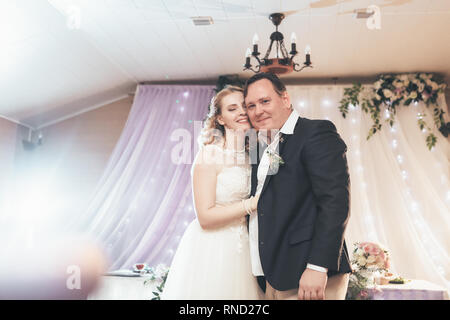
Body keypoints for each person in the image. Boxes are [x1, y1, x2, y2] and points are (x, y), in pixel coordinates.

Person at [243, 72, 352, 300]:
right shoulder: (262, 147)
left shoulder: (315, 132)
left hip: (308, 273)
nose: (257, 110)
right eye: (250, 105)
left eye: (265, 101)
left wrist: (318, 266)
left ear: (285, 99)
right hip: (274, 274)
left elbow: (335, 201)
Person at [161, 86, 264, 299]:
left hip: (244, 245)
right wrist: (251, 204)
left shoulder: (253, 154)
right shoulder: (209, 155)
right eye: (232, 109)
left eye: (244, 106)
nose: (242, 112)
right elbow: (205, 217)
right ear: (220, 119)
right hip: (212, 246)